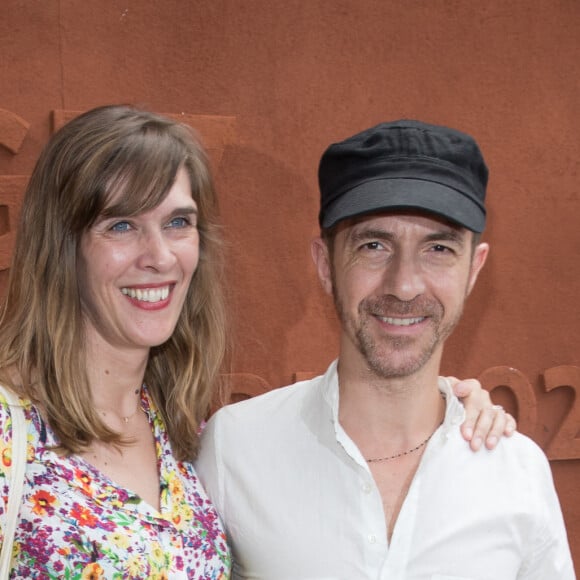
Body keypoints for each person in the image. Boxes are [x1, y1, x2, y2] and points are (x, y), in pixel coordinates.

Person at [196, 120, 575, 578]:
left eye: (438, 248)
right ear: (325, 264)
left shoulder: (517, 474)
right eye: (374, 245)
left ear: (474, 270)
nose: (404, 284)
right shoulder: (235, 448)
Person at [0, 105, 231, 578]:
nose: (160, 257)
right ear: (63, 246)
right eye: (122, 225)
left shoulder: (180, 426)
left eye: (177, 223)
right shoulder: (9, 428)